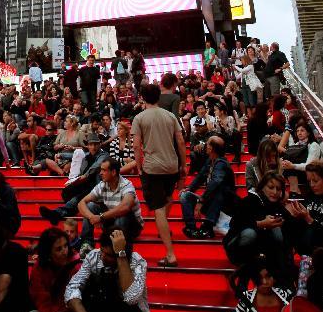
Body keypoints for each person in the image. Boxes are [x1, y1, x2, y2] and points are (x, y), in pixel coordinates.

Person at [133, 84, 187, 266]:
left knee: (158, 208)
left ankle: (170, 254)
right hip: (172, 165)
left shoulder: (139, 117)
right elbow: (180, 141)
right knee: (166, 199)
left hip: (153, 167)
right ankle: (162, 226)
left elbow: (136, 145)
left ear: (142, 97)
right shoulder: (170, 115)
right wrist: (183, 165)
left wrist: (139, 167)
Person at [224, 172, 293, 280]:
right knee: (250, 233)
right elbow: (235, 224)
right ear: (262, 187)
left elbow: (288, 230)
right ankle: (245, 266)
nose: (274, 192)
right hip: (236, 246)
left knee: (279, 231)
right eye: (271, 187)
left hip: (262, 250)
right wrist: (260, 224)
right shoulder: (249, 201)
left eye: (278, 189)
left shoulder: (277, 206)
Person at [78, 157, 143, 255]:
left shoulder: (126, 185)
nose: (100, 173)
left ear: (113, 172)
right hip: (112, 221)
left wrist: (100, 217)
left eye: (104, 170)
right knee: (90, 206)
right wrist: (92, 217)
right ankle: (87, 244)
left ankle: (118, 250)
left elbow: (125, 207)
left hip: (132, 226)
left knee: (122, 215)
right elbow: (81, 203)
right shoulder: (102, 185)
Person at [39, 134, 107, 226]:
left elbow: (97, 166)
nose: (93, 147)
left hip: (96, 186)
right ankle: (67, 212)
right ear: (88, 145)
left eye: (95, 144)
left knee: (76, 199)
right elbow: (72, 155)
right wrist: (61, 155)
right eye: (91, 145)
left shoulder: (103, 155)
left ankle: (57, 213)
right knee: (66, 192)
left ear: (99, 145)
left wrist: (85, 176)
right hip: (84, 184)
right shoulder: (87, 155)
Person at [180, 136, 236, 239]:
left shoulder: (221, 164)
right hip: (211, 203)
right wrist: (189, 189)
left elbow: (216, 181)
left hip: (225, 205)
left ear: (211, 149)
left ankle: (208, 227)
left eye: (208, 144)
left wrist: (201, 201)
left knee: (219, 189)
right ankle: (191, 229)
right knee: (185, 195)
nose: (205, 146)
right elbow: (200, 176)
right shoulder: (211, 161)